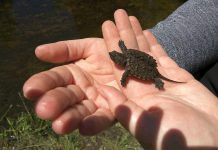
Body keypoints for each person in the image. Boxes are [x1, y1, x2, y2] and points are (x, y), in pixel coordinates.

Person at [23, 1, 218, 149]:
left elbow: (125, 74)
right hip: (201, 80)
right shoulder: (127, 57)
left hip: (158, 74)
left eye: (114, 57)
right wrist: (164, 44)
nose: (113, 57)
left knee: (157, 78)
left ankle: (159, 82)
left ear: (120, 62)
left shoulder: (128, 70)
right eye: (115, 56)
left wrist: (138, 80)